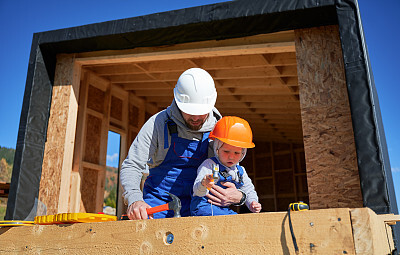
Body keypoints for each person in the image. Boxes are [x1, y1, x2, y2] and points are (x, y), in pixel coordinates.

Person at [120, 68, 245, 219]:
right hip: (159, 206)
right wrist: (135, 200)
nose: (195, 118)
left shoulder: (220, 128)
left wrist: (240, 196)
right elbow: (132, 165)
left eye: (201, 112)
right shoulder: (158, 124)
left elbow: (234, 169)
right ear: (178, 102)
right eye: (190, 112)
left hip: (202, 207)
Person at [191, 116, 262, 216]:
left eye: (236, 153)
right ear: (217, 149)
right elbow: (197, 191)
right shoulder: (209, 165)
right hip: (204, 207)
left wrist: (252, 202)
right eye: (226, 151)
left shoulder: (240, 171)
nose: (231, 157)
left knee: (239, 221)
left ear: (243, 153)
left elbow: (248, 189)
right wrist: (204, 184)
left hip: (222, 209)